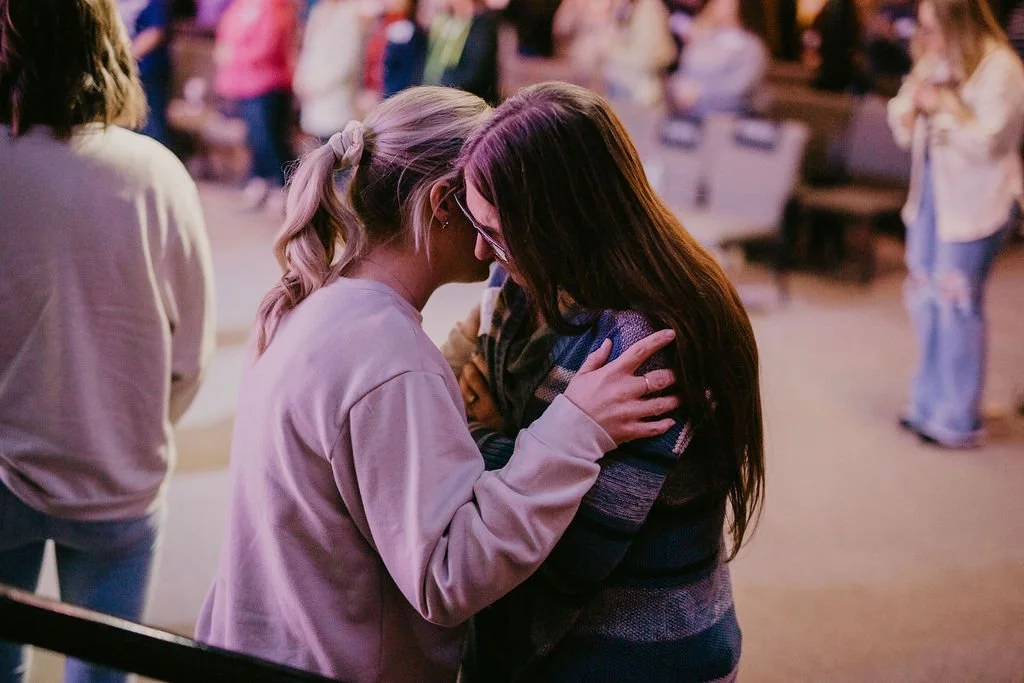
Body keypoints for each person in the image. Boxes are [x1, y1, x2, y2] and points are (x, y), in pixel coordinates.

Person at [194, 86, 681, 683]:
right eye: (492, 210)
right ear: (445, 203)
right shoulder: (392, 361)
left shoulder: (313, 298)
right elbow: (450, 575)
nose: (496, 246)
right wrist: (571, 432)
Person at [452, 82, 765, 683]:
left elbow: (557, 552)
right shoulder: (525, 281)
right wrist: (548, 440)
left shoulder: (644, 347)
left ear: (563, 221)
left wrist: (473, 441)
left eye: (496, 232)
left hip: (630, 655)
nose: (480, 252)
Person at [0, 0, 216, 681]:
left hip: (3, 475)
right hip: (120, 482)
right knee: (104, 669)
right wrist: (132, 426)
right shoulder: (157, 173)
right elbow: (191, 353)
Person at [888, 0, 1024, 448]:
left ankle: (957, 416)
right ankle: (927, 402)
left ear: (959, 22)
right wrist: (909, 110)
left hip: (976, 201)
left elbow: (991, 141)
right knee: (925, 295)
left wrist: (944, 106)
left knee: (957, 302)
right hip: (931, 195)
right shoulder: (937, 57)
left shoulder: (1001, 67)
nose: (927, 39)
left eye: (934, 28)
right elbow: (902, 104)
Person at [214, 0, 297, 210]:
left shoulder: (274, 8)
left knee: (269, 139)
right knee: (254, 138)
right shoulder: (240, 6)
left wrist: (234, 56)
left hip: (267, 84)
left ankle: (284, 184)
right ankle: (260, 180)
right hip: (242, 84)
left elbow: (269, 45)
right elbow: (226, 32)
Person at [667, 0, 769, 119]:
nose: (721, 7)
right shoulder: (703, 39)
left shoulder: (752, 46)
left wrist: (701, 94)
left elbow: (742, 85)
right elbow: (684, 70)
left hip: (730, 118)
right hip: (691, 115)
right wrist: (679, 88)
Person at [294, 0, 364, 141]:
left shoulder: (350, 14)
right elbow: (308, 51)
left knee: (337, 150)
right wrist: (299, 82)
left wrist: (316, 87)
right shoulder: (318, 12)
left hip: (335, 100)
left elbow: (346, 62)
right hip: (313, 102)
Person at [421, 0, 501, 103]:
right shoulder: (446, 22)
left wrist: (443, 91)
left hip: (465, 100)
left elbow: (474, 72)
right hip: (438, 93)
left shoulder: (483, 25)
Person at [118, 0, 173, 146]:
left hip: (147, 74)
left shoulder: (152, 2)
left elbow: (154, 32)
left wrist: (123, 59)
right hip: (121, 76)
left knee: (151, 128)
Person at [603, 0, 678, 105]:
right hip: (619, 86)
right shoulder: (626, 6)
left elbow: (644, 58)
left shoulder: (649, 10)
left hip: (638, 93)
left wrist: (609, 52)